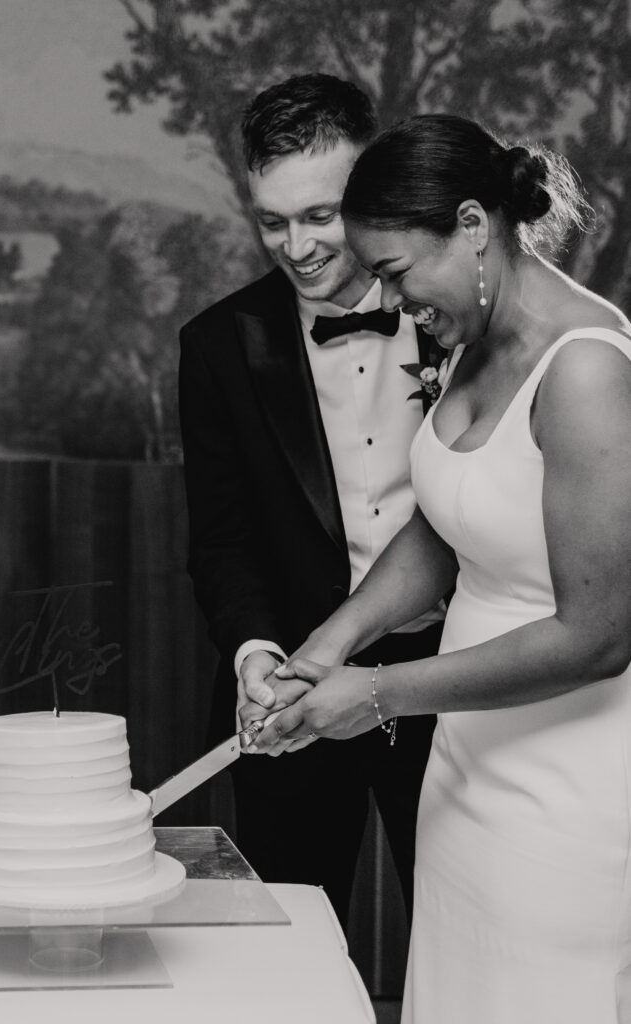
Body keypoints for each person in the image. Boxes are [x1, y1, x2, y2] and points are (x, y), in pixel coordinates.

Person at [248, 114, 631, 1022]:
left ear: (470, 225)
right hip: (466, 762)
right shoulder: (470, 335)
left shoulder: (586, 372)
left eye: (394, 271)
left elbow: (599, 637)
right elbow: (450, 520)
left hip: (568, 786)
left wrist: (378, 693)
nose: (392, 300)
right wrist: (331, 642)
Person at [178, 74, 445, 929]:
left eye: (319, 216)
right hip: (297, 692)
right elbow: (221, 539)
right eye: (271, 222)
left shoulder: (454, 317)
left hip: (454, 678)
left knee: (461, 930)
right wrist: (254, 653)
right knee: (292, 942)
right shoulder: (217, 346)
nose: (295, 247)